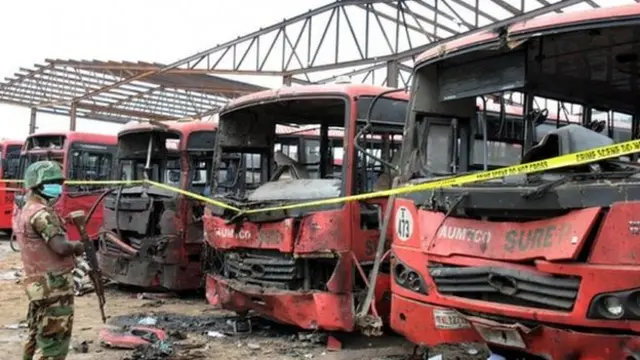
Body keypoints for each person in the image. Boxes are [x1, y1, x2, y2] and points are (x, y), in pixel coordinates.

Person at [15, 161, 85, 360]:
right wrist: (77, 246)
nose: (57, 187)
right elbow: (60, 247)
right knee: (54, 343)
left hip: (37, 285)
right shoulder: (41, 213)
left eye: (57, 182)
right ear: (37, 185)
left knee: (36, 335)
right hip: (55, 286)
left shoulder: (25, 210)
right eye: (51, 182)